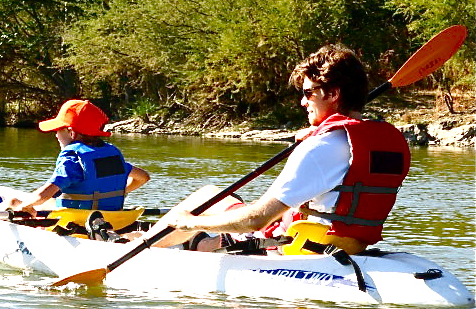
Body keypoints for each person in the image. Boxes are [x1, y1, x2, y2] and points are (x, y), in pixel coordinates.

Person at [150, 44, 410, 254]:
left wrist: (189, 221)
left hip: (299, 248)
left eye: (309, 93)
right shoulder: (377, 141)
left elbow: (256, 220)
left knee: (204, 199)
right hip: (347, 245)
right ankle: (181, 245)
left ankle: (137, 251)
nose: (302, 101)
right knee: (217, 209)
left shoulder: (320, 147)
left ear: (332, 94)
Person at [7, 99, 150, 240]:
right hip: (112, 221)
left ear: (71, 133)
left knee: (13, 202)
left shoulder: (73, 159)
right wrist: (120, 191)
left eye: (58, 130)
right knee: (49, 203)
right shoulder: (112, 156)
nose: (56, 135)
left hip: (74, 225)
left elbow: (42, 195)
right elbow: (143, 177)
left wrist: (25, 206)